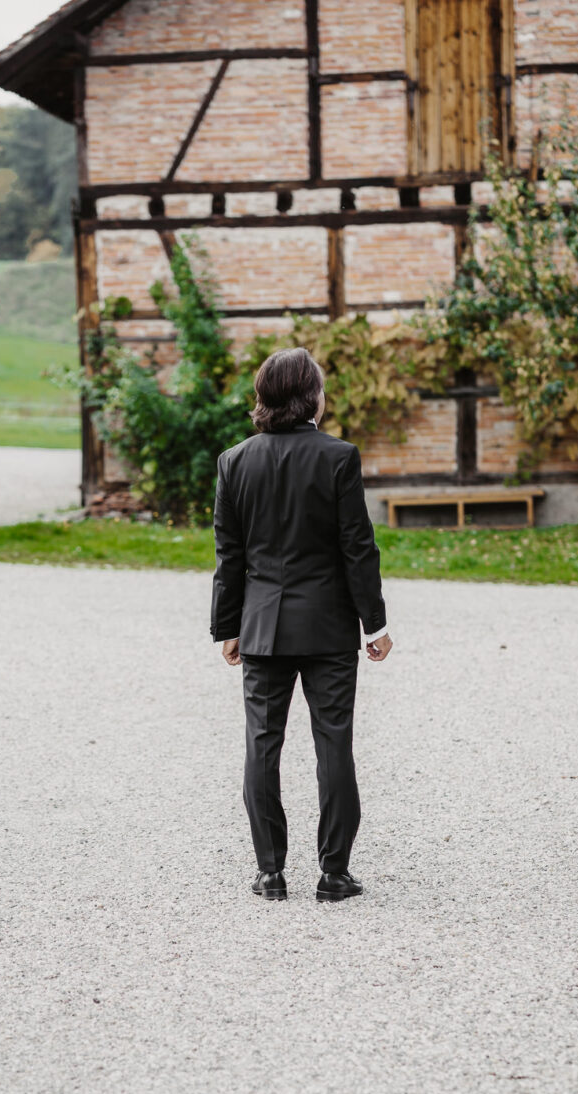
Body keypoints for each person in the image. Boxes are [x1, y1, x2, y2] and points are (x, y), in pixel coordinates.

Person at [210, 347, 392, 902]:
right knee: (333, 745)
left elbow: (229, 554)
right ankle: (334, 873)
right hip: (328, 630)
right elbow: (357, 548)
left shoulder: (234, 461)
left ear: (264, 395)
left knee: (262, 746)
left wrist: (227, 628)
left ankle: (270, 872)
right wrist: (374, 624)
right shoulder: (339, 457)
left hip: (261, 628)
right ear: (310, 395)